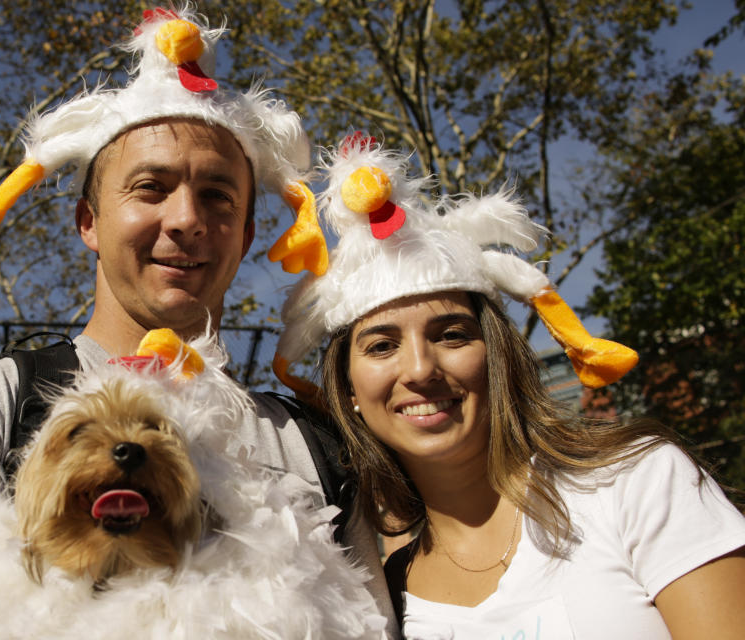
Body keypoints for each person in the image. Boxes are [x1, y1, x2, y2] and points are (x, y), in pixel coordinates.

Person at [0, 9, 395, 639]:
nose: (186, 218)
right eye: (150, 187)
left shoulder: (316, 445)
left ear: (247, 233)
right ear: (88, 221)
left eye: (219, 196)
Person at [274, 133, 745, 639]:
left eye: (451, 335)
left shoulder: (635, 482)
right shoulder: (380, 597)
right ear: (348, 392)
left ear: (496, 356)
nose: (420, 369)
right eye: (382, 346)